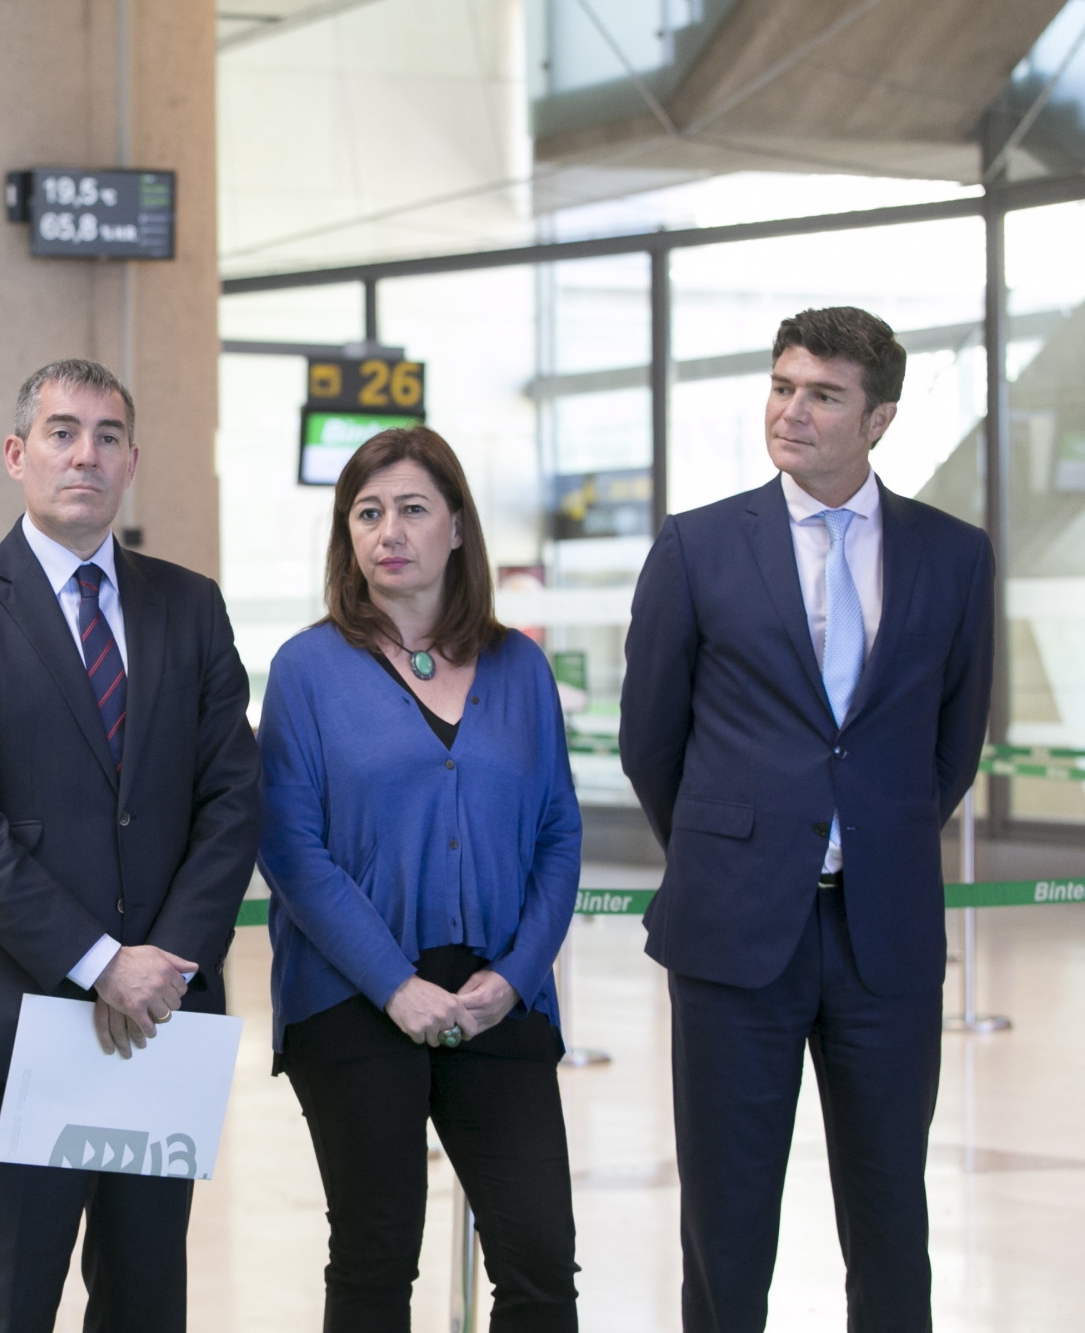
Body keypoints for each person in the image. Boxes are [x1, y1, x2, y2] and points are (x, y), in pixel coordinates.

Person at [620, 307, 995, 1332]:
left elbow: (950, 745)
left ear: (876, 418)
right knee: (726, 1224)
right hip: (731, 933)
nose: (790, 410)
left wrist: (868, 835)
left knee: (888, 1221)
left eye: (821, 393)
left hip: (883, 935)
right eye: (781, 385)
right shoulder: (697, 547)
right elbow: (649, 739)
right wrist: (739, 843)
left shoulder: (951, 557)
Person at [0, 358, 261, 1333]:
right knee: (5, 1305)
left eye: (105, 436)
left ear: (131, 462)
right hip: (19, 1022)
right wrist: (102, 963)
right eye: (60, 432)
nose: (82, 454)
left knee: (145, 1305)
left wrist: (165, 962)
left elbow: (230, 797)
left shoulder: (189, 605)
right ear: (16, 454)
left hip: (161, 1019)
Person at [258, 426, 582, 1332]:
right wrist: (396, 985)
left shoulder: (520, 667)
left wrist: (514, 979)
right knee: (374, 1254)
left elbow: (559, 832)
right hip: (352, 997)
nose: (388, 530)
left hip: (498, 1000)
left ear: (457, 527)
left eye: (410, 508)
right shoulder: (306, 670)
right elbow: (291, 849)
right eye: (367, 513)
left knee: (540, 1259)